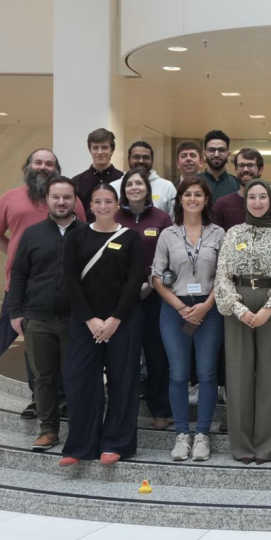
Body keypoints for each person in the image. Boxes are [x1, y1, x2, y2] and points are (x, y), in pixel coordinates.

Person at [0, 148, 86, 418]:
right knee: (34, 346)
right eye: (38, 162)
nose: (43, 167)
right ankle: (38, 400)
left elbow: (83, 241)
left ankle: (65, 399)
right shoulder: (10, 198)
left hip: (64, 289)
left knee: (66, 345)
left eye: (49, 163)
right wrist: (16, 254)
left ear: (56, 169)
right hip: (23, 286)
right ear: (28, 166)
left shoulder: (71, 201)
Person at [59, 183, 144, 467]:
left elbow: (134, 282)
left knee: (123, 382)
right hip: (85, 322)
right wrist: (91, 319)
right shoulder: (76, 236)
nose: (104, 206)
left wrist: (115, 319)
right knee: (81, 381)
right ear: (90, 206)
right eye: (98, 201)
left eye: (109, 201)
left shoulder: (131, 237)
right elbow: (70, 279)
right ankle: (81, 444)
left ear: (117, 205)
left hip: (123, 322)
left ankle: (116, 443)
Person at [215, 179, 271, 464]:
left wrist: (269, 307)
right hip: (237, 303)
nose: (258, 202)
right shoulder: (234, 232)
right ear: (245, 201)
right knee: (238, 375)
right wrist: (238, 309)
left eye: (263, 197)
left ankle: (268, 445)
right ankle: (242, 446)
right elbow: (222, 275)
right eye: (253, 197)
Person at [151, 177, 225, 462]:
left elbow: (224, 275)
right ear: (179, 199)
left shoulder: (219, 233)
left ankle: (203, 434)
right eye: (187, 194)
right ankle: (182, 434)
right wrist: (182, 308)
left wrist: (206, 305)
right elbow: (157, 277)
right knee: (178, 374)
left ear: (206, 200)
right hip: (175, 309)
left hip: (210, 307)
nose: (193, 199)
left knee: (207, 374)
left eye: (198, 194)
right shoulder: (168, 234)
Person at [6, 176, 83, 451]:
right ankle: (48, 429)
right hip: (37, 319)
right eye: (56, 197)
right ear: (48, 200)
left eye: (67, 197)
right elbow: (18, 274)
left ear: (75, 201)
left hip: (76, 321)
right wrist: (16, 312)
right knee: (43, 378)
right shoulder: (32, 234)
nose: (61, 202)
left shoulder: (86, 233)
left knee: (76, 377)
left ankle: (80, 430)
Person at [115, 168, 174, 430]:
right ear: (124, 189)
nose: (135, 187)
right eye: (130, 184)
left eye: (139, 183)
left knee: (156, 355)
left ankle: (160, 409)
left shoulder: (161, 219)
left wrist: (151, 283)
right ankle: (121, 408)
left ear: (147, 189)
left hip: (154, 296)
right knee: (124, 355)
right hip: (119, 299)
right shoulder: (114, 217)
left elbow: (171, 257)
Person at [212, 149, 271, 229]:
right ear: (236, 169)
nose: (245, 169)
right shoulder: (222, 205)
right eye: (241, 165)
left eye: (250, 165)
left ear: (260, 170)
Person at [109, 141, 176, 216]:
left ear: (152, 160)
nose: (141, 161)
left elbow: (174, 219)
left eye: (146, 157)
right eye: (136, 157)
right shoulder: (114, 187)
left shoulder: (167, 187)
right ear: (128, 160)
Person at [71, 128, 122, 223]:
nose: (99, 152)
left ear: (112, 150)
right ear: (90, 150)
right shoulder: (77, 181)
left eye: (104, 147)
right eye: (95, 148)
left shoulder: (123, 180)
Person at [198, 130, 240, 199]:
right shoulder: (193, 182)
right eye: (211, 150)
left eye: (222, 150)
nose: (216, 154)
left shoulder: (238, 185)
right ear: (204, 154)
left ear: (228, 154)